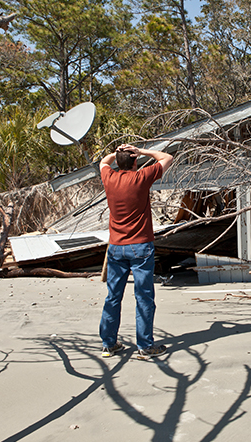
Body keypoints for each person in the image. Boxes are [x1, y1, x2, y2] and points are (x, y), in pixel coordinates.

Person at [98, 143, 173, 359]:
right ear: (134, 162)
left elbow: (103, 162)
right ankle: (145, 346)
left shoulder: (109, 178)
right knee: (144, 297)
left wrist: (118, 153)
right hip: (140, 246)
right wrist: (142, 151)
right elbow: (166, 157)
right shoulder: (141, 177)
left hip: (116, 247)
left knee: (113, 296)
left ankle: (108, 344)